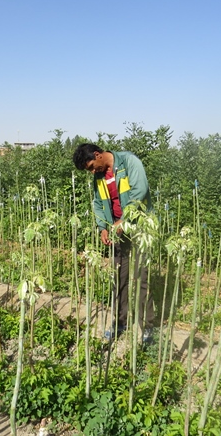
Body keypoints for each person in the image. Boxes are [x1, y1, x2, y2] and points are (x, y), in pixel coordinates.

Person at [73, 143, 155, 343]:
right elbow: (98, 203)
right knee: (119, 277)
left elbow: (140, 191)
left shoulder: (129, 162)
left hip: (139, 227)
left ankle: (147, 327)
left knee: (142, 277)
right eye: (89, 170)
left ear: (98, 154)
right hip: (117, 231)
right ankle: (120, 322)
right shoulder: (99, 177)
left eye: (92, 166)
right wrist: (102, 227)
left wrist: (124, 220)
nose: (93, 171)